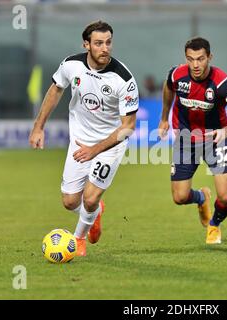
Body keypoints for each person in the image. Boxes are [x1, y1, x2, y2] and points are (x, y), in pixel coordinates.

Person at [28, 20, 139, 257]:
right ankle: (95, 214)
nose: (105, 48)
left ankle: (78, 238)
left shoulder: (123, 80)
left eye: (108, 43)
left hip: (110, 144)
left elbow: (128, 127)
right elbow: (56, 89)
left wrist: (96, 149)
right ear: (86, 44)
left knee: (89, 198)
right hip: (80, 141)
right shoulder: (71, 65)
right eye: (98, 43)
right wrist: (38, 127)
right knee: (69, 201)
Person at [158, 37, 227, 244]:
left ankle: (214, 224)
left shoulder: (221, 82)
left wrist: (226, 131)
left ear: (209, 57)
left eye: (200, 59)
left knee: (226, 197)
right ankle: (201, 198)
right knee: (180, 197)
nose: (195, 65)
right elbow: (168, 87)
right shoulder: (177, 75)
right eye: (190, 59)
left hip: (217, 138)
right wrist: (164, 118)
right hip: (186, 137)